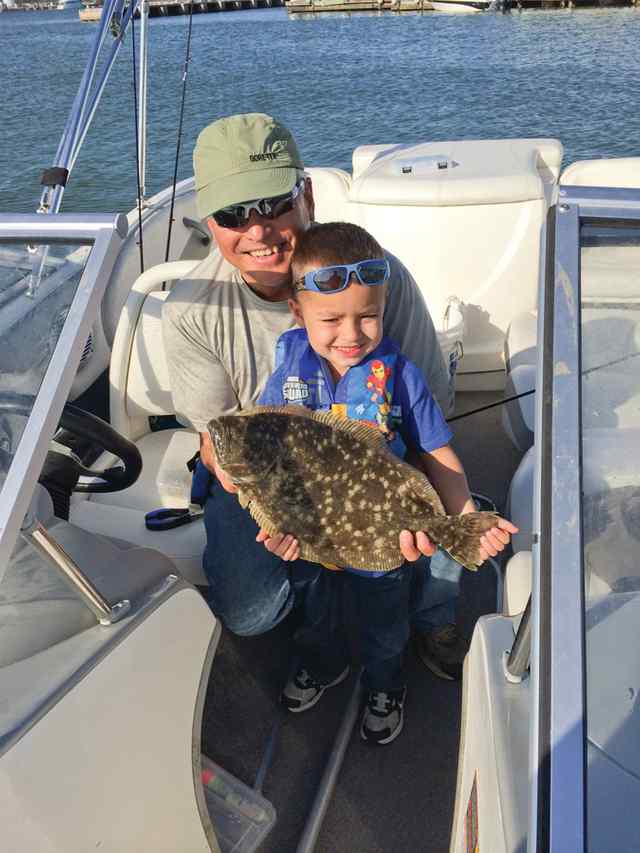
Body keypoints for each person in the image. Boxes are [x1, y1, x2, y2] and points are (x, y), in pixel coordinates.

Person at [162, 112, 509, 669]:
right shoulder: (190, 310)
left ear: (307, 197)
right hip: (267, 477)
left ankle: (430, 613)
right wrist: (278, 515)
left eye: (273, 205)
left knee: (429, 542)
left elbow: (429, 422)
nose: (257, 231)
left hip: (380, 456)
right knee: (251, 613)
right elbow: (214, 442)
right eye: (233, 215)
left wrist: (439, 505)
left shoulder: (375, 276)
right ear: (210, 222)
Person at [256, 221, 516, 744]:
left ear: (384, 308)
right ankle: (323, 664)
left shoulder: (401, 375)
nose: (351, 335)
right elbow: (270, 458)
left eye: (367, 316)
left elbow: (437, 454)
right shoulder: (286, 372)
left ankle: (385, 683)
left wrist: (466, 516)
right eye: (331, 319)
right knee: (317, 611)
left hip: (384, 535)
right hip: (314, 534)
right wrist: (273, 522)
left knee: (384, 618)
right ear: (298, 312)